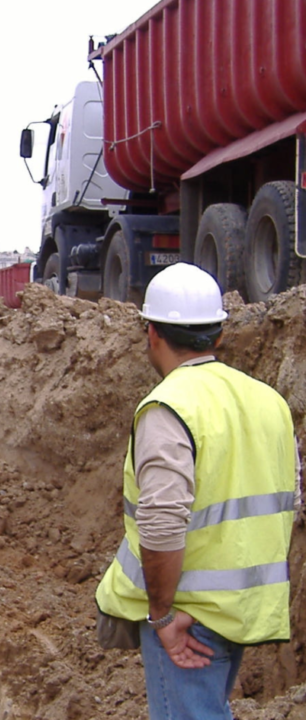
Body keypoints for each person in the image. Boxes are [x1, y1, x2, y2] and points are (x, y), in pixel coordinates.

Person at [95, 262, 301, 719]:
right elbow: (291, 498)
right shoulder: (269, 401)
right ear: (219, 335)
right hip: (243, 607)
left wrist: (163, 616)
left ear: (152, 333)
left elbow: (162, 523)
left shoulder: (170, 408)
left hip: (190, 614)